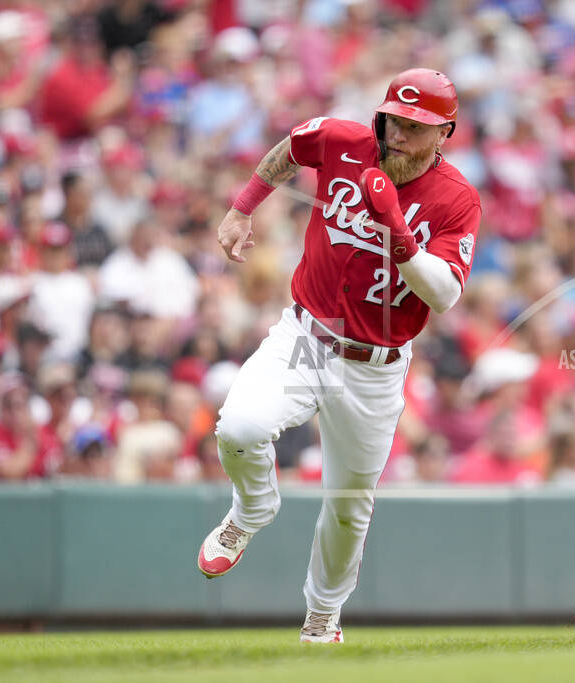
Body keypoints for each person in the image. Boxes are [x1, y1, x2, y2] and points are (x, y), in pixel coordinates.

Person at [195, 69, 480, 644]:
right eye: (394, 120)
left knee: (349, 506)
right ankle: (251, 511)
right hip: (308, 332)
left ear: (444, 132)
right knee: (240, 426)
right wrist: (242, 207)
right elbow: (293, 147)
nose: (399, 133)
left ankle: (323, 616)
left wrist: (397, 229)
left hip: (376, 363)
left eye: (416, 126)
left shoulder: (457, 200)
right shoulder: (345, 142)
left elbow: (445, 295)